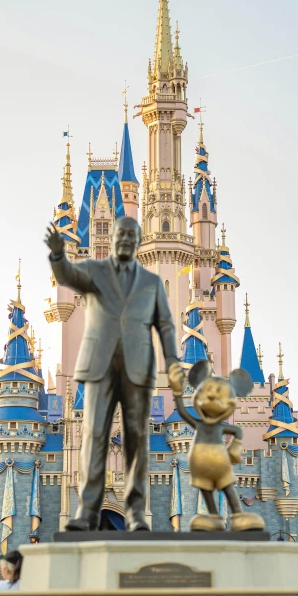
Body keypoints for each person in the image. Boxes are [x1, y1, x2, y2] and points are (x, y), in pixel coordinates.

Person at [45, 217, 184, 532]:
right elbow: (68, 275)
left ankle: (135, 514)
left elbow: (165, 324)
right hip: (100, 365)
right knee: (93, 435)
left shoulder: (150, 282)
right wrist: (57, 256)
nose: (123, 239)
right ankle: (86, 512)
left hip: (137, 367)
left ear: (138, 241)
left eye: (130, 235)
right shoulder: (95, 271)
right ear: (112, 239)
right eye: (119, 234)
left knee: (137, 438)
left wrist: (173, 360)